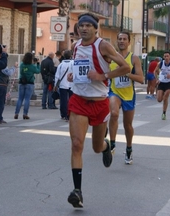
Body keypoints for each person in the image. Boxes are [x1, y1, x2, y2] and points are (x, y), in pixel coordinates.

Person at [66, 13, 130, 208]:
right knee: (77, 145)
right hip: (78, 100)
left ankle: (106, 147)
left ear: (95, 29)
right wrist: (73, 75)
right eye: (81, 26)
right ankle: (77, 191)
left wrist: (102, 75)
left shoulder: (103, 46)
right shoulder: (76, 46)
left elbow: (125, 67)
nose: (84, 29)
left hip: (99, 102)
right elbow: (80, 69)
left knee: (96, 147)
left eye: (88, 26)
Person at [108, 32, 144, 165]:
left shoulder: (134, 59)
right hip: (114, 92)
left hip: (129, 95)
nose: (122, 41)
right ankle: (112, 144)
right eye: (119, 39)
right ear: (116, 41)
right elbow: (104, 72)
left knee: (127, 125)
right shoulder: (110, 57)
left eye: (124, 39)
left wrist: (126, 73)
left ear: (129, 42)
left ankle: (129, 148)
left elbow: (141, 79)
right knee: (114, 113)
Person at [0, 44, 18, 124]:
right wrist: (14, 67)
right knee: (1, 102)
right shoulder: (1, 62)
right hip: (2, 83)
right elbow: (8, 72)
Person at [14, 53, 40, 120]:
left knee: (20, 98)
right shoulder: (32, 66)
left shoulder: (22, 64)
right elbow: (38, 71)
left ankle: (16, 113)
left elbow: (21, 72)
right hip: (29, 83)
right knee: (27, 99)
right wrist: (38, 64)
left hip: (21, 82)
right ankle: (25, 114)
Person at [154, 51, 170, 120]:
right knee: (159, 100)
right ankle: (159, 93)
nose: (166, 58)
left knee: (165, 98)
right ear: (163, 57)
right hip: (161, 82)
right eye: (165, 56)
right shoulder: (160, 63)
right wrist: (157, 79)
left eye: (167, 56)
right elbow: (155, 71)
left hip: (168, 83)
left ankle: (164, 113)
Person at [54, 50, 73, 121]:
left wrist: (55, 85)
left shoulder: (61, 65)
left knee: (63, 101)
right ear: (71, 56)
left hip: (62, 85)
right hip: (71, 84)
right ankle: (70, 113)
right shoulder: (73, 63)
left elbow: (57, 76)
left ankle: (63, 114)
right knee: (71, 100)